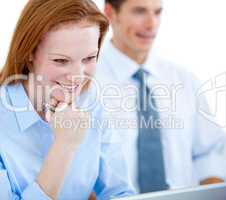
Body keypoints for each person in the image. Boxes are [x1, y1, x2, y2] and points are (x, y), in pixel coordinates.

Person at [0, 0, 135, 199]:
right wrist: (64, 146)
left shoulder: (91, 106)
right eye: (61, 61)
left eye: (89, 58)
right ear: (29, 53)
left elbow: (120, 193)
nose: (77, 76)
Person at [96, 0, 226, 193]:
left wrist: (209, 191)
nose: (152, 24)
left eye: (157, 13)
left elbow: (209, 151)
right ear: (110, 13)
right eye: (139, 12)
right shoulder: (87, 82)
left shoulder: (184, 80)